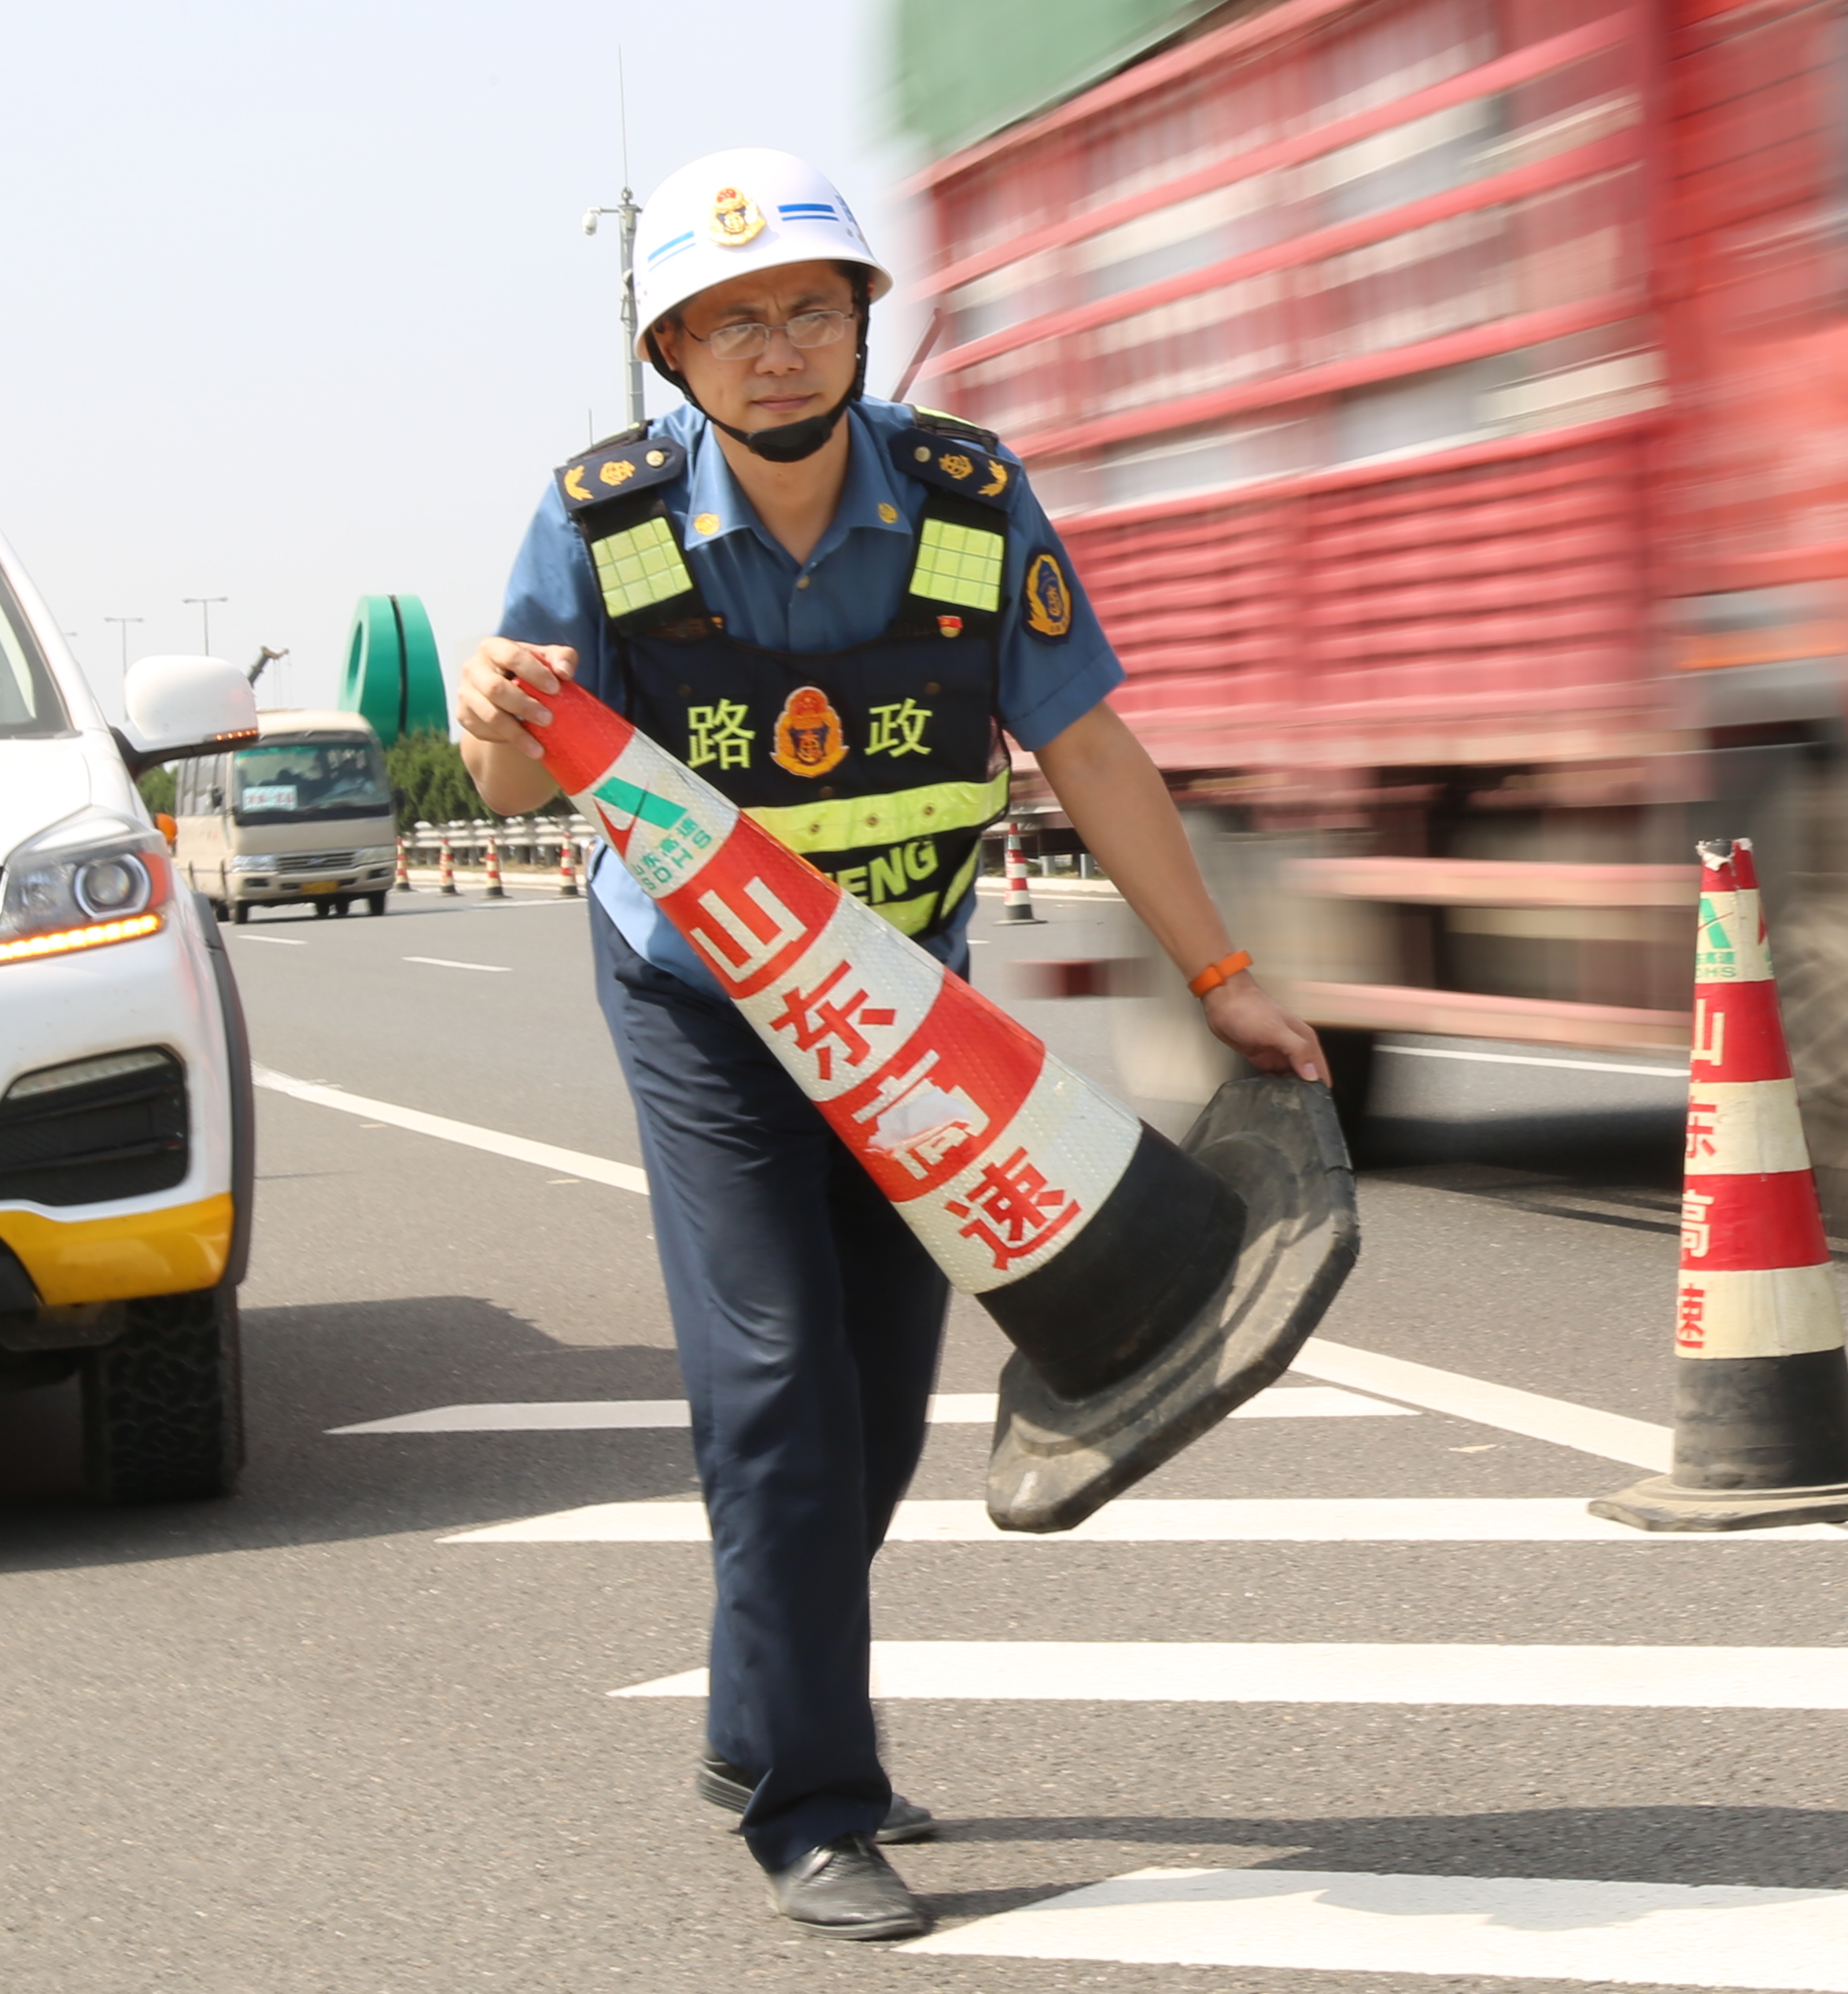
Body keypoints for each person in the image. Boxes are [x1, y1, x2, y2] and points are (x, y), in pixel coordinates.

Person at [457, 146, 1322, 1944]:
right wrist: (491, 715)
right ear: (675, 358)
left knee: (869, 1406)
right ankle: (817, 1809)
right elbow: (512, 772)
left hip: (904, 1002)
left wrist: (1221, 969)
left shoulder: (968, 496)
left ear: (863, 323)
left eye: (809, 309)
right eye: (729, 323)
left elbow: (1086, 746)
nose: (775, 350)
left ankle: (755, 1724)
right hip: (703, 1004)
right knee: (772, 1383)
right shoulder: (602, 522)